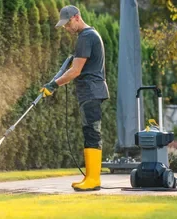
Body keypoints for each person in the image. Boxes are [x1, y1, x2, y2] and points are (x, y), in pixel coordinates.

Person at [40, 5, 109, 191]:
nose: (66, 28)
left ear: (77, 17)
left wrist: (53, 85)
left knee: (92, 133)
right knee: (90, 133)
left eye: (68, 23)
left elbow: (75, 71)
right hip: (91, 91)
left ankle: (93, 179)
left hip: (91, 91)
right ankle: (91, 177)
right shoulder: (89, 36)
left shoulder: (86, 37)